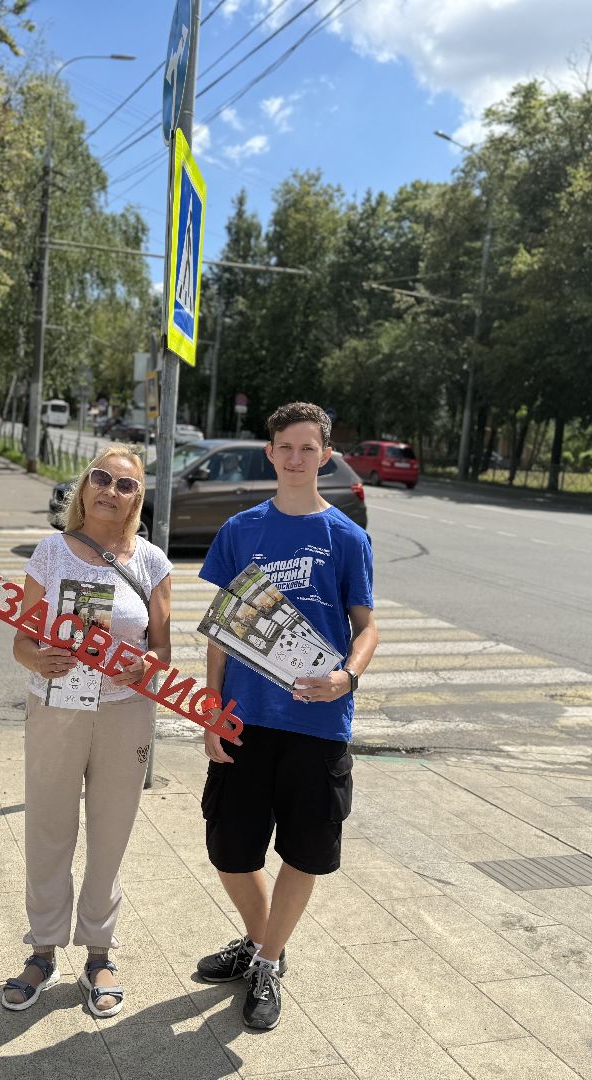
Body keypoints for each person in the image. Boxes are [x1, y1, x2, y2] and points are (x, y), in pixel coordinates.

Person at [195, 401, 378, 1031]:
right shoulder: (242, 530)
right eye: (285, 447)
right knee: (229, 848)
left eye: (308, 447)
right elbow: (221, 629)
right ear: (269, 454)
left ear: (324, 455)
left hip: (319, 723)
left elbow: (367, 626)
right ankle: (260, 939)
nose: (296, 458)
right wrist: (211, 708)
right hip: (246, 718)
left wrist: (345, 677)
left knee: (305, 850)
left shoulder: (347, 537)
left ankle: (267, 960)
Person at [4, 445, 172, 1018]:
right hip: (57, 704)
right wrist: (38, 659)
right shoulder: (51, 553)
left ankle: (100, 952)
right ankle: (43, 949)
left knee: (111, 829)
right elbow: (22, 640)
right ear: (83, 487)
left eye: (124, 484)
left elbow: (162, 650)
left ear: (137, 497)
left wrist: (145, 667)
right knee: (49, 825)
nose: (109, 490)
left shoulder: (152, 563)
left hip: (125, 711)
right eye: (100, 478)